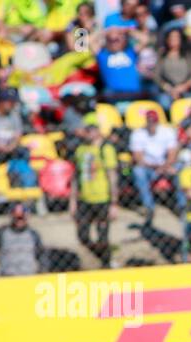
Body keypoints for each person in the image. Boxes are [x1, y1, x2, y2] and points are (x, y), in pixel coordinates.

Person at [72, 114, 120, 267]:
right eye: (88, 129)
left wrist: (114, 203)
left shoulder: (106, 149)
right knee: (83, 235)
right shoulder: (80, 149)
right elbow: (75, 178)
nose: (90, 132)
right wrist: (72, 202)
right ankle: (98, 254)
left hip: (102, 198)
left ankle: (106, 262)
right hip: (85, 199)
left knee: (103, 236)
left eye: (93, 129)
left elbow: (112, 176)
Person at [129, 108, 179, 221]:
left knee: (179, 170)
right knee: (138, 171)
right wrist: (155, 167)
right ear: (146, 121)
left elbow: (172, 154)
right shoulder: (138, 133)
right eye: (149, 121)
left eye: (154, 121)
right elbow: (138, 158)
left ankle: (181, 205)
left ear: (158, 121)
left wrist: (164, 167)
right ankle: (149, 206)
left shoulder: (167, 131)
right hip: (148, 168)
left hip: (166, 166)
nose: (152, 123)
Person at [0, 203, 46, 276]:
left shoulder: (33, 234)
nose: (19, 221)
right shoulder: (1, 233)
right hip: (8, 277)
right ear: (12, 216)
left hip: (29, 276)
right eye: (17, 218)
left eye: (22, 218)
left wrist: (41, 271)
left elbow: (42, 255)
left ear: (27, 217)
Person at [153, 28, 191, 112]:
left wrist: (183, 87)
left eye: (176, 37)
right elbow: (156, 76)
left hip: (185, 89)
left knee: (190, 104)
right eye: (171, 37)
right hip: (167, 90)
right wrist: (169, 89)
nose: (173, 40)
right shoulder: (162, 55)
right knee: (164, 103)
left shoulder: (187, 54)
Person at [96, 26, 144, 103]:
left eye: (117, 40)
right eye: (111, 40)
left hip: (134, 94)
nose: (114, 43)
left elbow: (145, 40)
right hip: (113, 96)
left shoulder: (130, 52)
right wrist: (105, 32)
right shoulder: (103, 55)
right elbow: (89, 42)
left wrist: (127, 30)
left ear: (123, 40)